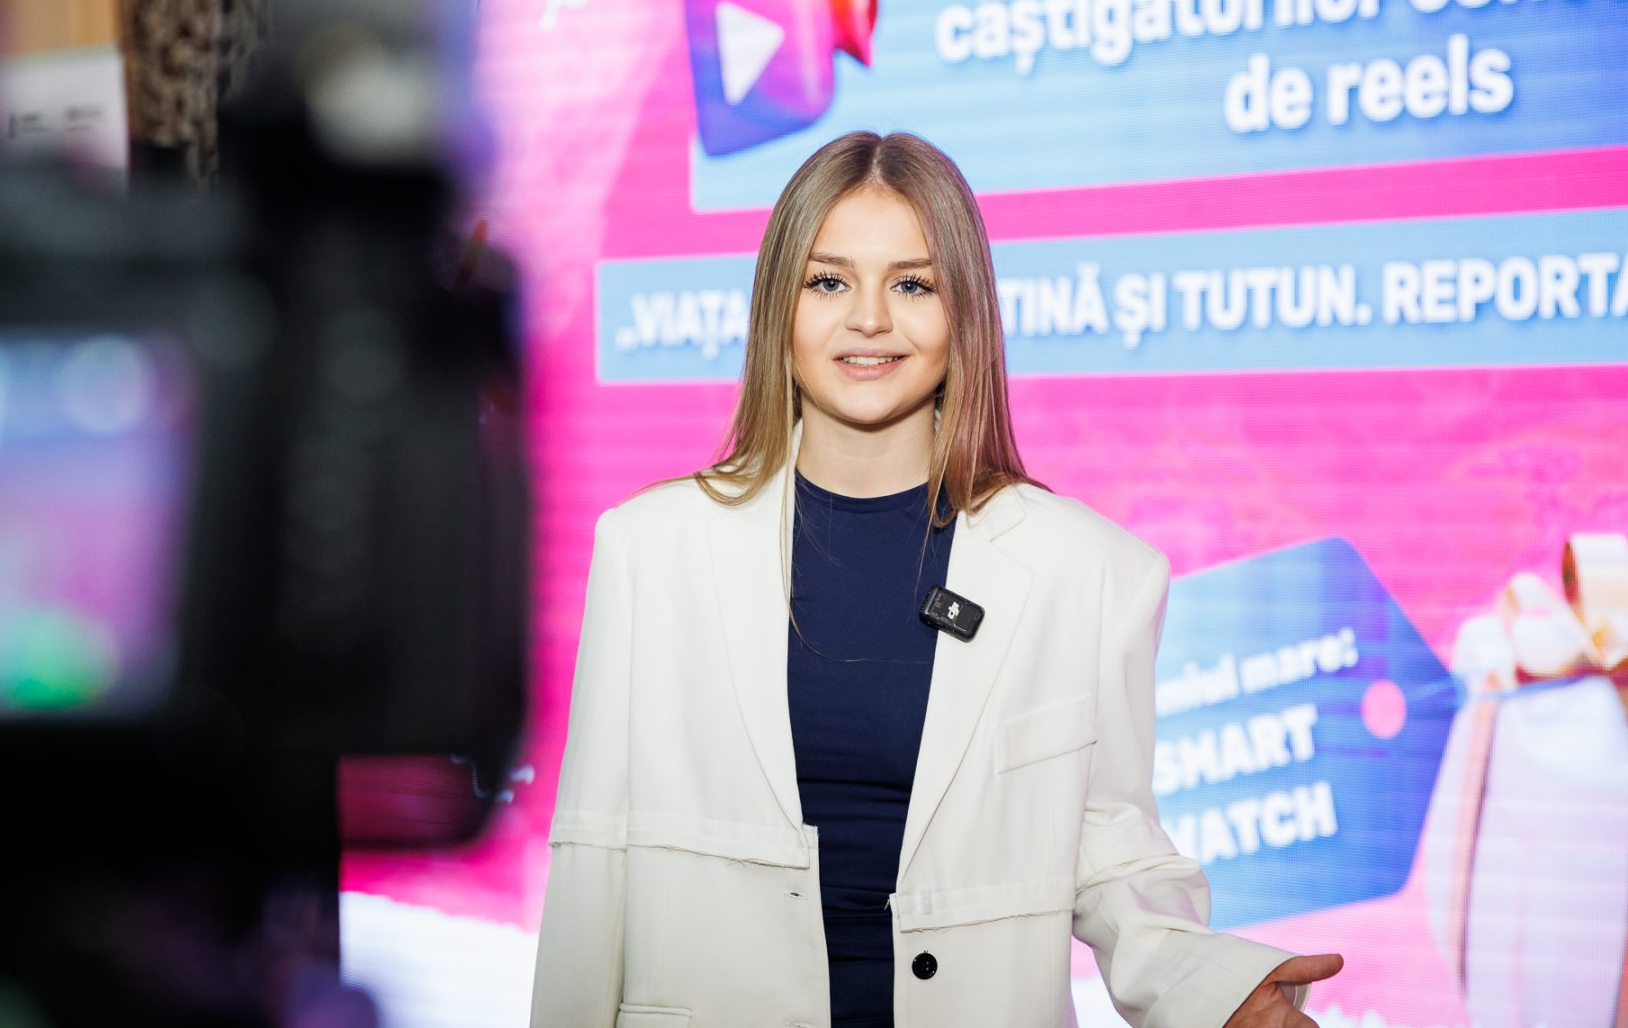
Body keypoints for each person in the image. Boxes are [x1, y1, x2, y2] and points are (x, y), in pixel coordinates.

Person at [530, 131, 1342, 1028]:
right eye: (828, 281)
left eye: (912, 285)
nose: (869, 319)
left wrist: (1215, 990)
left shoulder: (1089, 574)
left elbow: (1109, 853)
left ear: (965, 315)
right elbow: (593, 857)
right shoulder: (650, 550)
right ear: (777, 307)